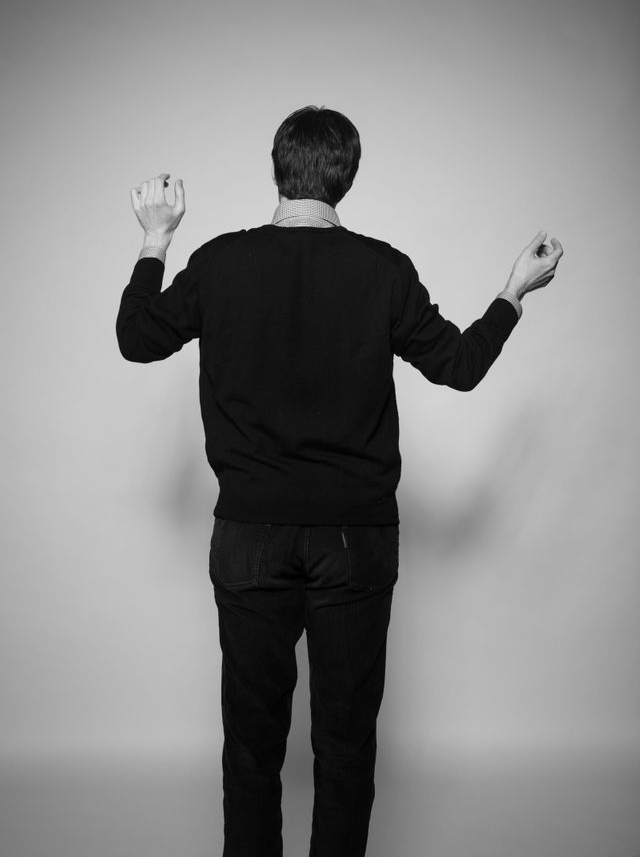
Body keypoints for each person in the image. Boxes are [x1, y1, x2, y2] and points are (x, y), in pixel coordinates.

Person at [116, 105, 563, 857]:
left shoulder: (219, 263)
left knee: (251, 747)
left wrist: (156, 239)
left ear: (277, 169)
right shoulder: (382, 270)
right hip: (357, 539)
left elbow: (137, 338)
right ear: (346, 179)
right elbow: (459, 367)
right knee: (346, 747)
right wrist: (513, 292)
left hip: (249, 535)